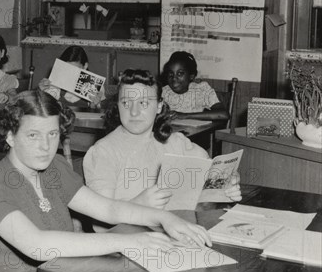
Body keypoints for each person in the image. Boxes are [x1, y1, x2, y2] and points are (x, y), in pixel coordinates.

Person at [0, 89, 212, 272]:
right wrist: (126, 242)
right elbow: (38, 245)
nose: (45, 146)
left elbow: (107, 208)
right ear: (10, 136)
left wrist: (164, 218)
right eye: (33, 135)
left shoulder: (53, 167)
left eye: (53, 134)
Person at [83, 69, 241, 212]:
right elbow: (100, 225)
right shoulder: (104, 151)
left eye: (143, 103)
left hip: (174, 231)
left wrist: (226, 187)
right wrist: (139, 203)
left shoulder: (175, 142)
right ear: (117, 105)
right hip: (129, 238)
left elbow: (213, 171)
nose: (134, 112)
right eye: (126, 103)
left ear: (159, 106)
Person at [161, 51, 229, 121]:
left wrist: (184, 115)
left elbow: (223, 114)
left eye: (180, 73)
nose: (174, 78)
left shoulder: (201, 90)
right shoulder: (163, 92)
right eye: (170, 74)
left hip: (196, 131)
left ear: (191, 76)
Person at [37, 45, 103, 109]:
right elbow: (44, 108)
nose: (70, 73)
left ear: (85, 66)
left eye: (75, 70)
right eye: (66, 69)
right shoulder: (55, 82)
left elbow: (99, 114)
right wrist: (40, 93)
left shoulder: (94, 86)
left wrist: (94, 105)